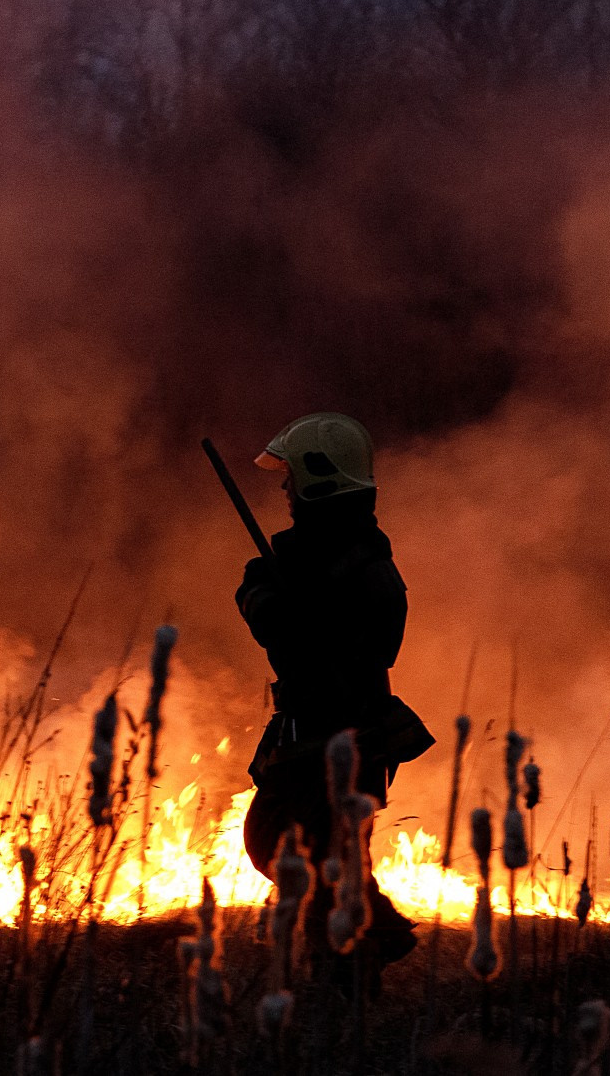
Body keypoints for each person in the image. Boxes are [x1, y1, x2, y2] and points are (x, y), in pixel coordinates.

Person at [234, 412, 434, 969]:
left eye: (292, 476)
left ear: (319, 480)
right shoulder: (309, 562)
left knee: (308, 864)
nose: (284, 488)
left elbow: (357, 644)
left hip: (341, 745)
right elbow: (274, 626)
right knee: (305, 855)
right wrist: (266, 593)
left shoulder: (366, 570)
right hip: (313, 743)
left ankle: (360, 970)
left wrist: (296, 614)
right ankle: (364, 947)